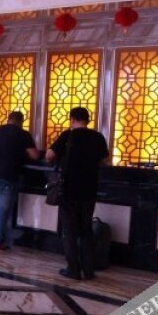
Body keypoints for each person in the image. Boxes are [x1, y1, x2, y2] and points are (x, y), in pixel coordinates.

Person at [46, 107, 109, 280]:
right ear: (88, 120)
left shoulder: (68, 136)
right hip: (89, 190)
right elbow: (105, 160)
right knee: (86, 230)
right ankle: (89, 270)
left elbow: (49, 155)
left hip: (68, 190)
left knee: (70, 231)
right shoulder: (98, 137)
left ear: (72, 119)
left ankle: (73, 269)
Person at [0, 111, 38, 252]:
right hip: (8, 177)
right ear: (21, 121)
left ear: (8, 119)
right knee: (2, 212)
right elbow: (34, 155)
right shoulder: (23, 134)